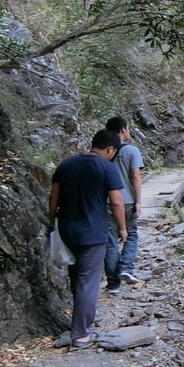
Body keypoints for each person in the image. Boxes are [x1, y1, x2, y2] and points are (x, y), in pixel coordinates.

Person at [48, 129, 127, 348]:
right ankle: (81, 333)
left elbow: (53, 195)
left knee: (77, 276)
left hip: (67, 230)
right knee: (88, 281)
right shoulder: (107, 168)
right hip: (92, 233)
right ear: (110, 149)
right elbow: (117, 202)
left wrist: (51, 220)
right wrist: (122, 228)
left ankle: (80, 320)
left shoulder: (66, 165)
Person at [104, 116, 144, 290]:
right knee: (132, 234)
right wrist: (138, 202)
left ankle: (113, 284)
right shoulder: (132, 151)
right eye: (127, 128)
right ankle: (126, 268)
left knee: (111, 241)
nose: (129, 132)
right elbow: (135, 176)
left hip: (106, 203)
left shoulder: (104, 151)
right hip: (126, 201)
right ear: (122, 130)